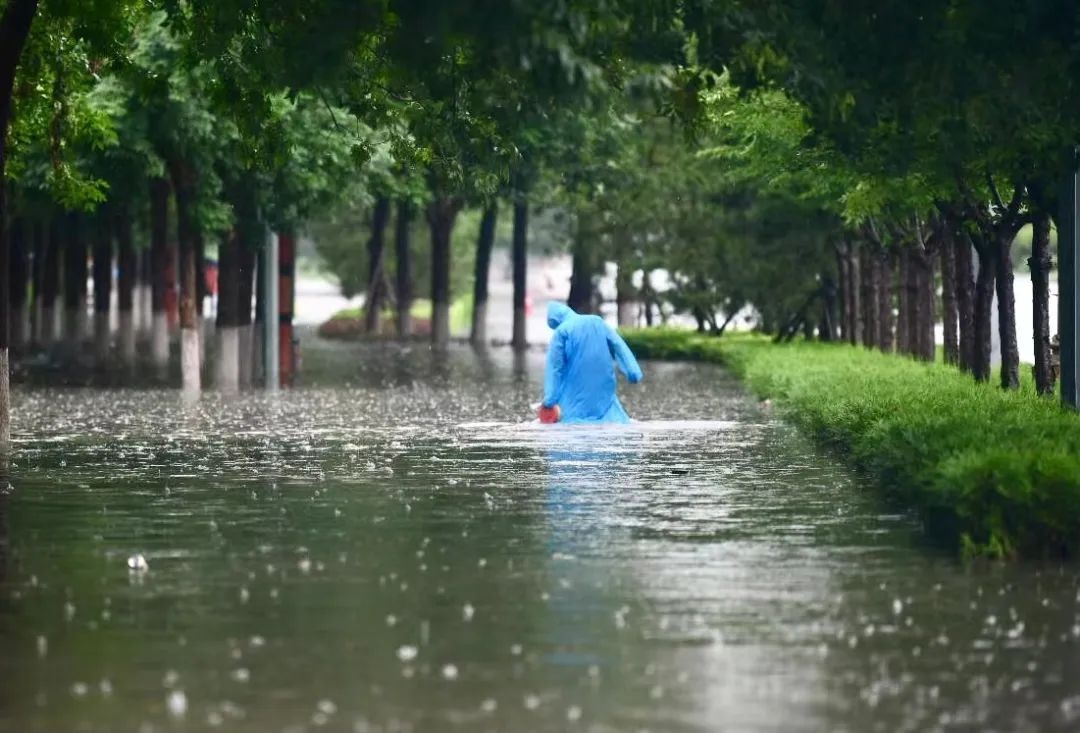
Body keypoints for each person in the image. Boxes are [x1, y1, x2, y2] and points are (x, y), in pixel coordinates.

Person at [539, 302, 643, 424]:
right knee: (615, 421)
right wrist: (634, 372)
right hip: (605, 399)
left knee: (570, 423)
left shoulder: (561, 332)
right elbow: (619, 346)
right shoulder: (598, 322)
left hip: (574, 404)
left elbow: (554, 369)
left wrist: (549, 401)